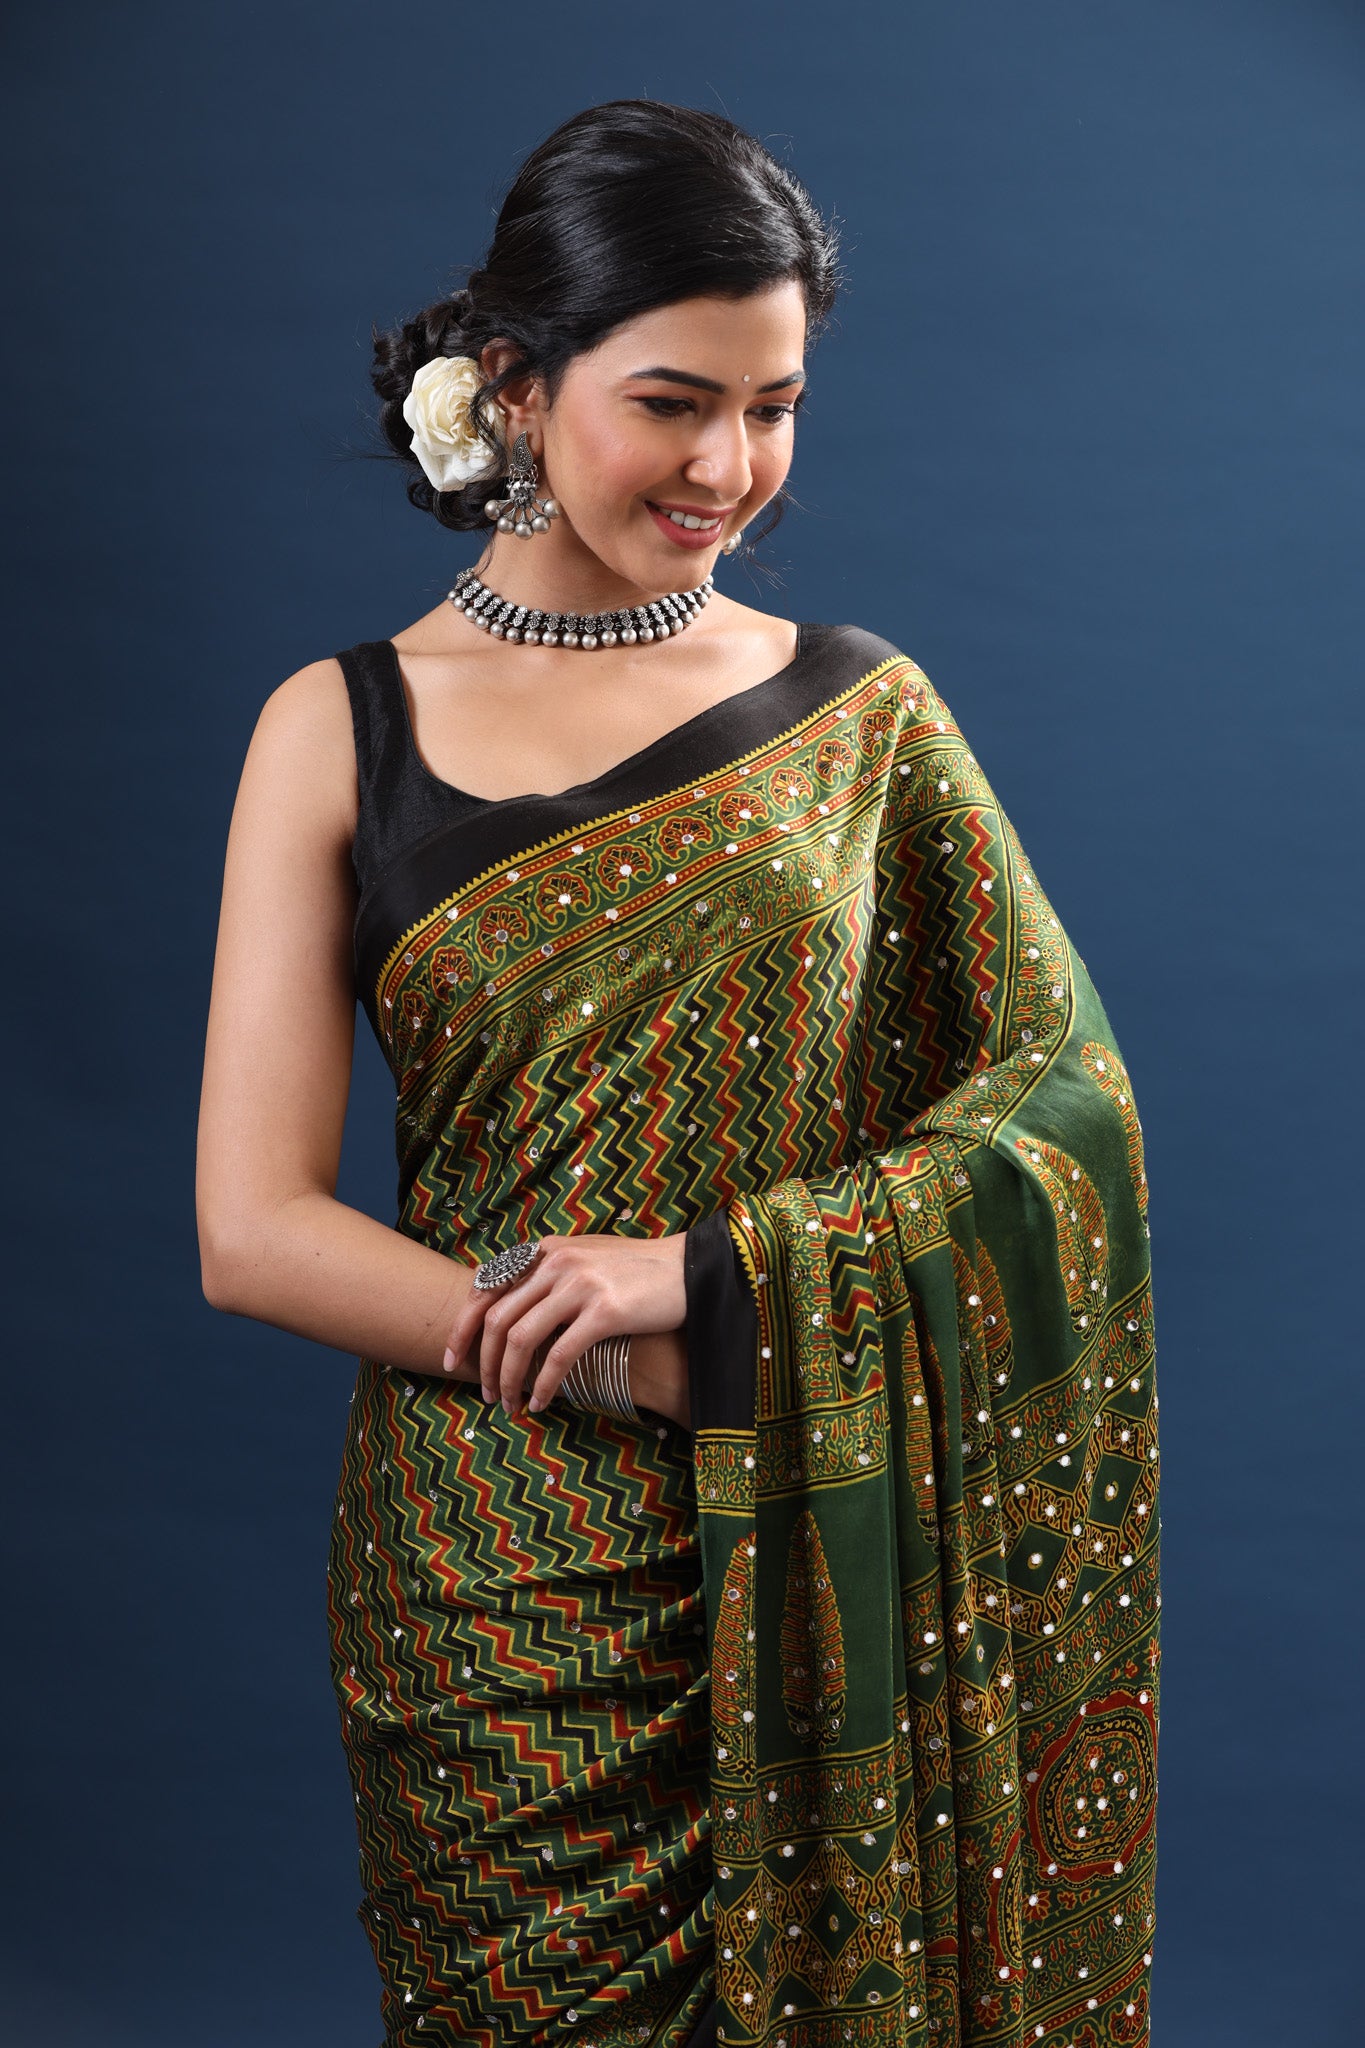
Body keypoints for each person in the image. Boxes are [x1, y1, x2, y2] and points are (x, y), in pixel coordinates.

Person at [196, 98, 1158, 2048]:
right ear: (516, 384)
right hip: (497, 1570)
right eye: (671, 402)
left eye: (772, 406)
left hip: (816, 1513)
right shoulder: (339, 727)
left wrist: (706, 1286)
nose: (727, 466)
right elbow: (254, 1227)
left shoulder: (858, 715)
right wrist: (611, 1353)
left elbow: (1062, 1109)